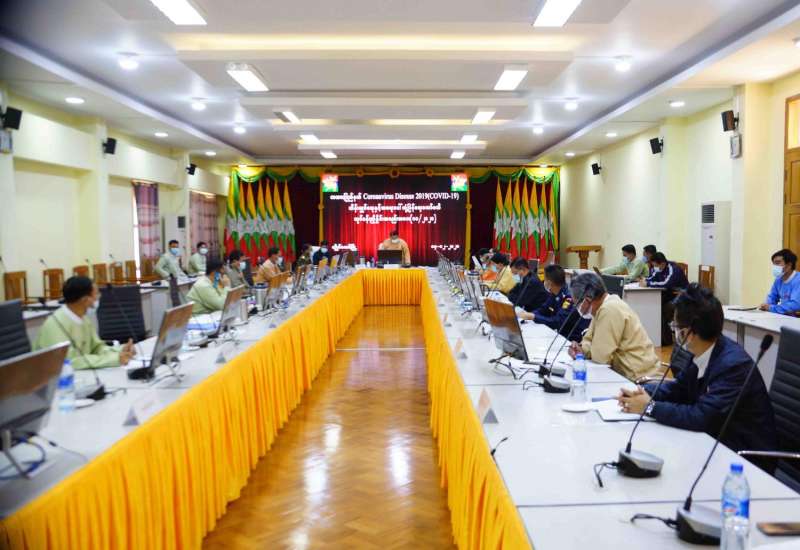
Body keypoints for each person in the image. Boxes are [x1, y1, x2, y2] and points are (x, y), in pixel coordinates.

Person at [618, 284, 777, 456]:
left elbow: (701, 417)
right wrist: (642, 392)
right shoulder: (704, 350)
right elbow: (679, 388)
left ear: (688, 333)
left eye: (675, 326)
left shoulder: (733, 366)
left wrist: (650, 407)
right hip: (713, 440)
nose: (674, 331)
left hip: (744, 455)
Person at [567, 272, 659, 381]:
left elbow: (600, 358)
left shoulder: (610, 309)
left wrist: (587, 350)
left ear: (587, 300)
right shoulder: (601, 308)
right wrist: (581, 349)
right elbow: (589, 340)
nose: (577, 307)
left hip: (639, 378)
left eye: (576, 304)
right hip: (628, 374)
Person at [33, 276, 135, 369]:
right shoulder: (56, 324)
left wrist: (120, 350)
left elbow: (96, 348)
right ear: (84, 299)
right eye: (96, 294)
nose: (99, 297)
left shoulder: (83, 318)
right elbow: (69, 362)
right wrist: (115, 359)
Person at [517, 264, 590, 338]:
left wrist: (534, 317)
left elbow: (557, 321)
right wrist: (529, 314)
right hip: (558, 333)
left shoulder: (568, 298)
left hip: (571, 338)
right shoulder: (554, 293)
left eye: (545, 279)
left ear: (549, 282)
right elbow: (543, 309)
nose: (543, 281)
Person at [641, 252, 689, 345]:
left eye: (656, 266)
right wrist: (645, 280)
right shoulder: (660, 267)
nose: (655, 268)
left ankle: (665, 340)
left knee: (662, 309)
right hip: (670, 293)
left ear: (662, 263)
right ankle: (659, 337)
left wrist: (648, 284)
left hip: (681, 295)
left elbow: (666, 284)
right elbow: (653, 277)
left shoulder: (673, 268)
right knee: (655, 305)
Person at [760, 248, 800, 316]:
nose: (775, 267)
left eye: (778, 263)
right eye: (774, 264)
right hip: (784, 316)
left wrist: (771, 308)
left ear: (789, 265)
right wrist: (765, 305)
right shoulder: (778, 280)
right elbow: (772, 297)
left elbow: (795, 305)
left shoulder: (798, 279)